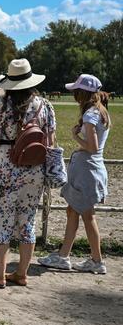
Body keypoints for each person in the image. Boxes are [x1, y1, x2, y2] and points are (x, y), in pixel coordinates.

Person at [0, 58, 56, 288]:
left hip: (5, 167)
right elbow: (49, 141)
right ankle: (21, 273)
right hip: (34, 169)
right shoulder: (45, 106)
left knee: (2, 219)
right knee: (27, 221)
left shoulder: (0, 107)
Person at [38, 75, 110, 274]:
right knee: (74, 212)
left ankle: (96, 260)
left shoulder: (90, 115)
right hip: (89, 170)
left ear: (83, 93)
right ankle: (64, 255)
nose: (74, 95)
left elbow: (93, 147)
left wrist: (74, 136)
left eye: (76, 91)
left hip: (87, 170)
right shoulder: (101, 112)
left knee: (87, 215)